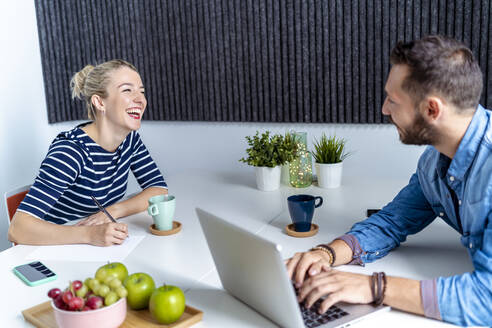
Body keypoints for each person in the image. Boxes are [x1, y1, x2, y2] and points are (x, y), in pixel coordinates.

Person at [286, 35, 491, 326]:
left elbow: (487, 301)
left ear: (432, 110)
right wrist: (325, 255)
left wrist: (374, 287)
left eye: (393, 100)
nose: (384, 109)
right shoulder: (435, 163)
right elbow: (392, 221)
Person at [8, 59, 168, 246]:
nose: (140, 99)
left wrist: (111, 212)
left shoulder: (129, 140)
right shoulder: (70, 152)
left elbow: (159, 190)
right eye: (127, 90)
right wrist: (91, 235)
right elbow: (18, 229)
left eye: (141, 91)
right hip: (55, 248)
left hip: (97, 245)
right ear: (100, 102)